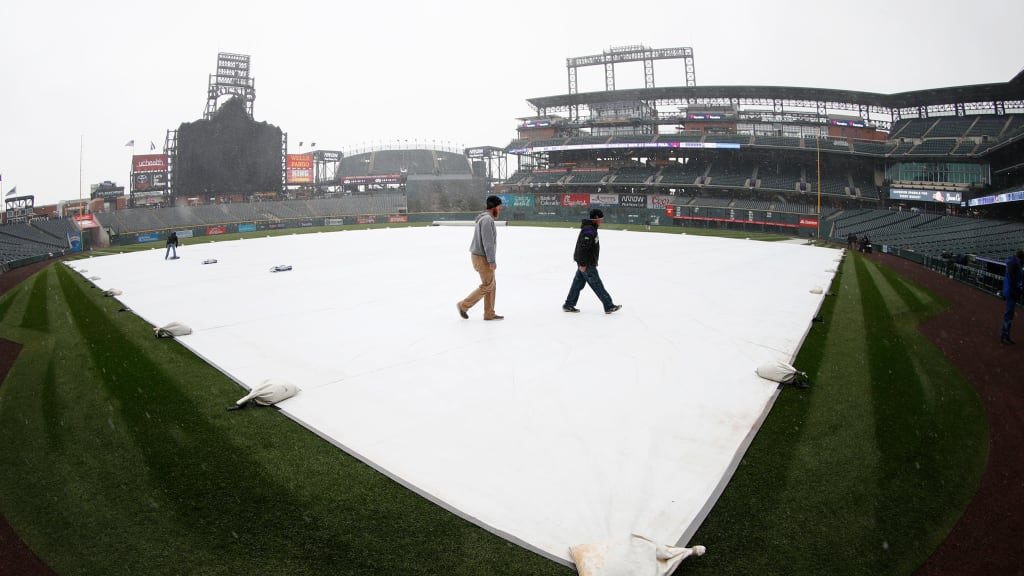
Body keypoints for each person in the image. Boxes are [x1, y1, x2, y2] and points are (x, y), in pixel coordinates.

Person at [562, 208, 622, 314]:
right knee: (597, 284)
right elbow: (583, 248)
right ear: (596, 218)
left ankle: (569, 304)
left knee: (577, 284)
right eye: (601, 218)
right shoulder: (589, 230)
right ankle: (608, 305)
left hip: (586, 262)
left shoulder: (591, 228)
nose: (602, 221)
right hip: (587, 263)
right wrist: (583, 264)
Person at [457, 195, 503, 321]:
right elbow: (488, 243)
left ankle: (489, 313)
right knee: (488, 285)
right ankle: (463, 305)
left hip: (478, 256)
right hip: (482, 257)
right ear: (493, 207)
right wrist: (491, 261)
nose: (500, 209)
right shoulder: (487, 220)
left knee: (491, 284)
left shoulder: (484, 218)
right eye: (499, 207)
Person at [1000, 249, 1023, 345]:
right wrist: (1019, 288)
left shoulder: (1012, 263)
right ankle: (1004, 336)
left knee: (1009, 315)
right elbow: (1014, 281)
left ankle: (1005, 335)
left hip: (1010, 292)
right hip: (1011, 293)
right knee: (1008, 315)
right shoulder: (1014, 264)